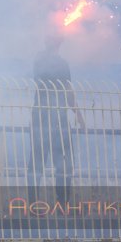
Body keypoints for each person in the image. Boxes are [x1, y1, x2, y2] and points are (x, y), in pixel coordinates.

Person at [30, 35, 85, 188]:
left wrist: (79, 116)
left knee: (38, 162)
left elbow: (67, 91)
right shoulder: (57, 63)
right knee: (62, 163)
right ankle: (62, 205)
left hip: (41, 116)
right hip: (56, 118)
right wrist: (79, 117)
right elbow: (68, 91)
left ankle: (34, 205)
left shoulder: (40, 60)